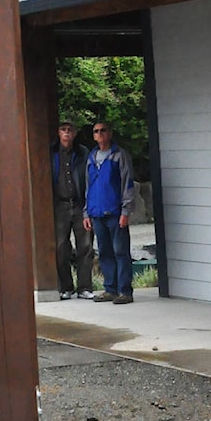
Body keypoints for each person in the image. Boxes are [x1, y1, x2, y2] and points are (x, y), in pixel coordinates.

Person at [83, 120, 136, 305]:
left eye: (103, 130)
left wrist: (126, 210)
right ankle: (110, 289)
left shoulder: (119, 155)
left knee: (120, 251)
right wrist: (86, 213)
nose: (100, 134)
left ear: (110, 133)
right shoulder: (91, 157)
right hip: (96, 213)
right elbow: (88, 187)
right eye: (96, 131)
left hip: (115, 212)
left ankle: (125, 291)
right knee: (104, 252)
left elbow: (127, 183)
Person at [51, 120, 94, 300]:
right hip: (60, 204)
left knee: (85, 245)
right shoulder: (51, 152)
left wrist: (87, 206)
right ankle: (66, 287)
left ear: (75, 133)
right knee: (61, 247)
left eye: (70, 130)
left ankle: (84, 286)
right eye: (63, 129)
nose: (67, 133)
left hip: (79, 203)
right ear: (59, 133)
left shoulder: (82, 152)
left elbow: (89, 178)